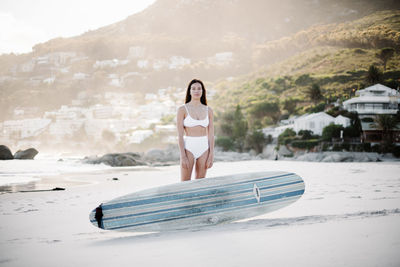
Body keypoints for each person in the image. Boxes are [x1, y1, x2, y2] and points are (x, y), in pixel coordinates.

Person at [176, 79, 214, 181]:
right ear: (189, 91)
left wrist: (211, 155)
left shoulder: (208, 110)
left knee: (200, 183)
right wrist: (183, 156)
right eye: (193, 89)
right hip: (189, 147)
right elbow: (179, 135)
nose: (196, 91)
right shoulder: (182, 109)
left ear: (203, 91)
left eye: (199, 88)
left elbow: (211, 134)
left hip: (204, 148)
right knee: (185, 183)